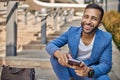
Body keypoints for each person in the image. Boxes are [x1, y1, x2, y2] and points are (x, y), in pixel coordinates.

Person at [46, 3, 112, 80]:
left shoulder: (106, 38)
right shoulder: (72, 31)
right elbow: (51, 45)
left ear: (99, 24)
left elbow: (106, 64)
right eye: (86, 17)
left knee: (104, 78)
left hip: (89, 72)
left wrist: (89, 71)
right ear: (82, 18)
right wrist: (59, 53)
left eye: (93, 18)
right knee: (55, 57)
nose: (88, 21)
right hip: (73, 68)